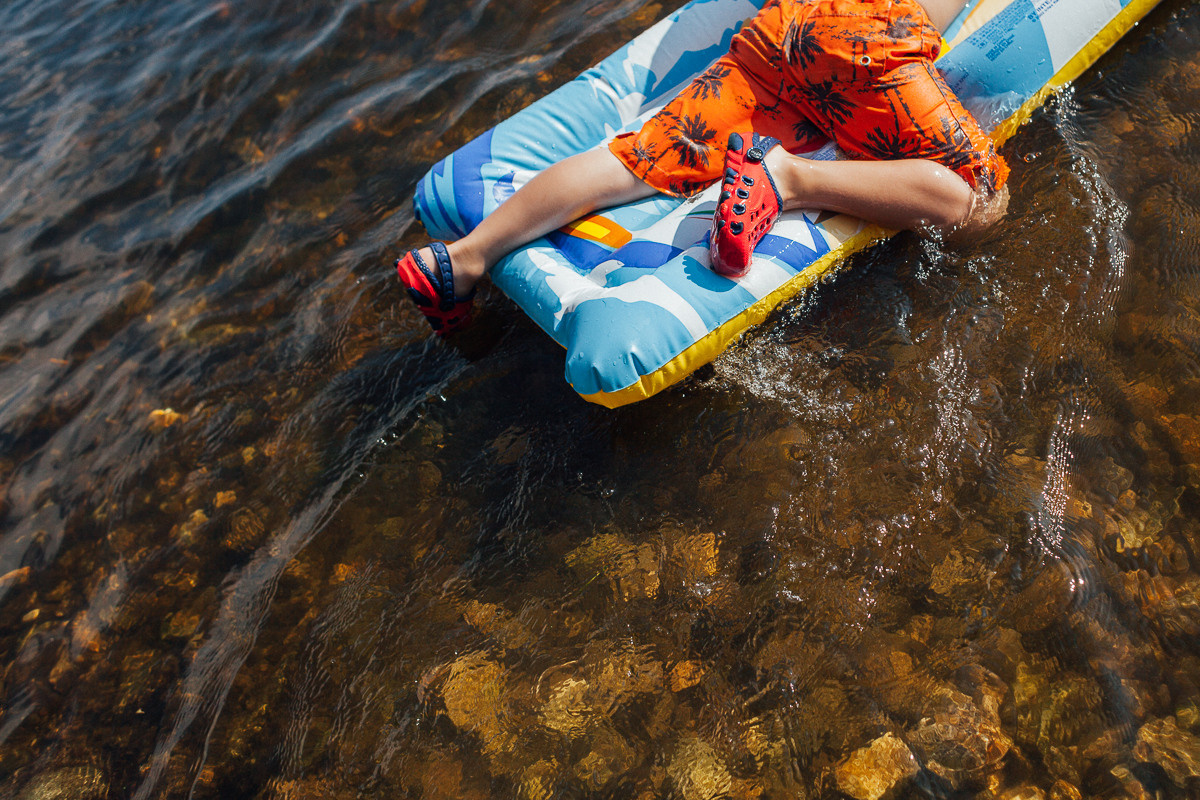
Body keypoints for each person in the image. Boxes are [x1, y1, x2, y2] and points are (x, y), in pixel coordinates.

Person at [397, 0, 1009, 335]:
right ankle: (791, 179)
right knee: (978, 202)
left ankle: (461, 259)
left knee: (630, 162)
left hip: (781, 32)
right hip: (871, 40)